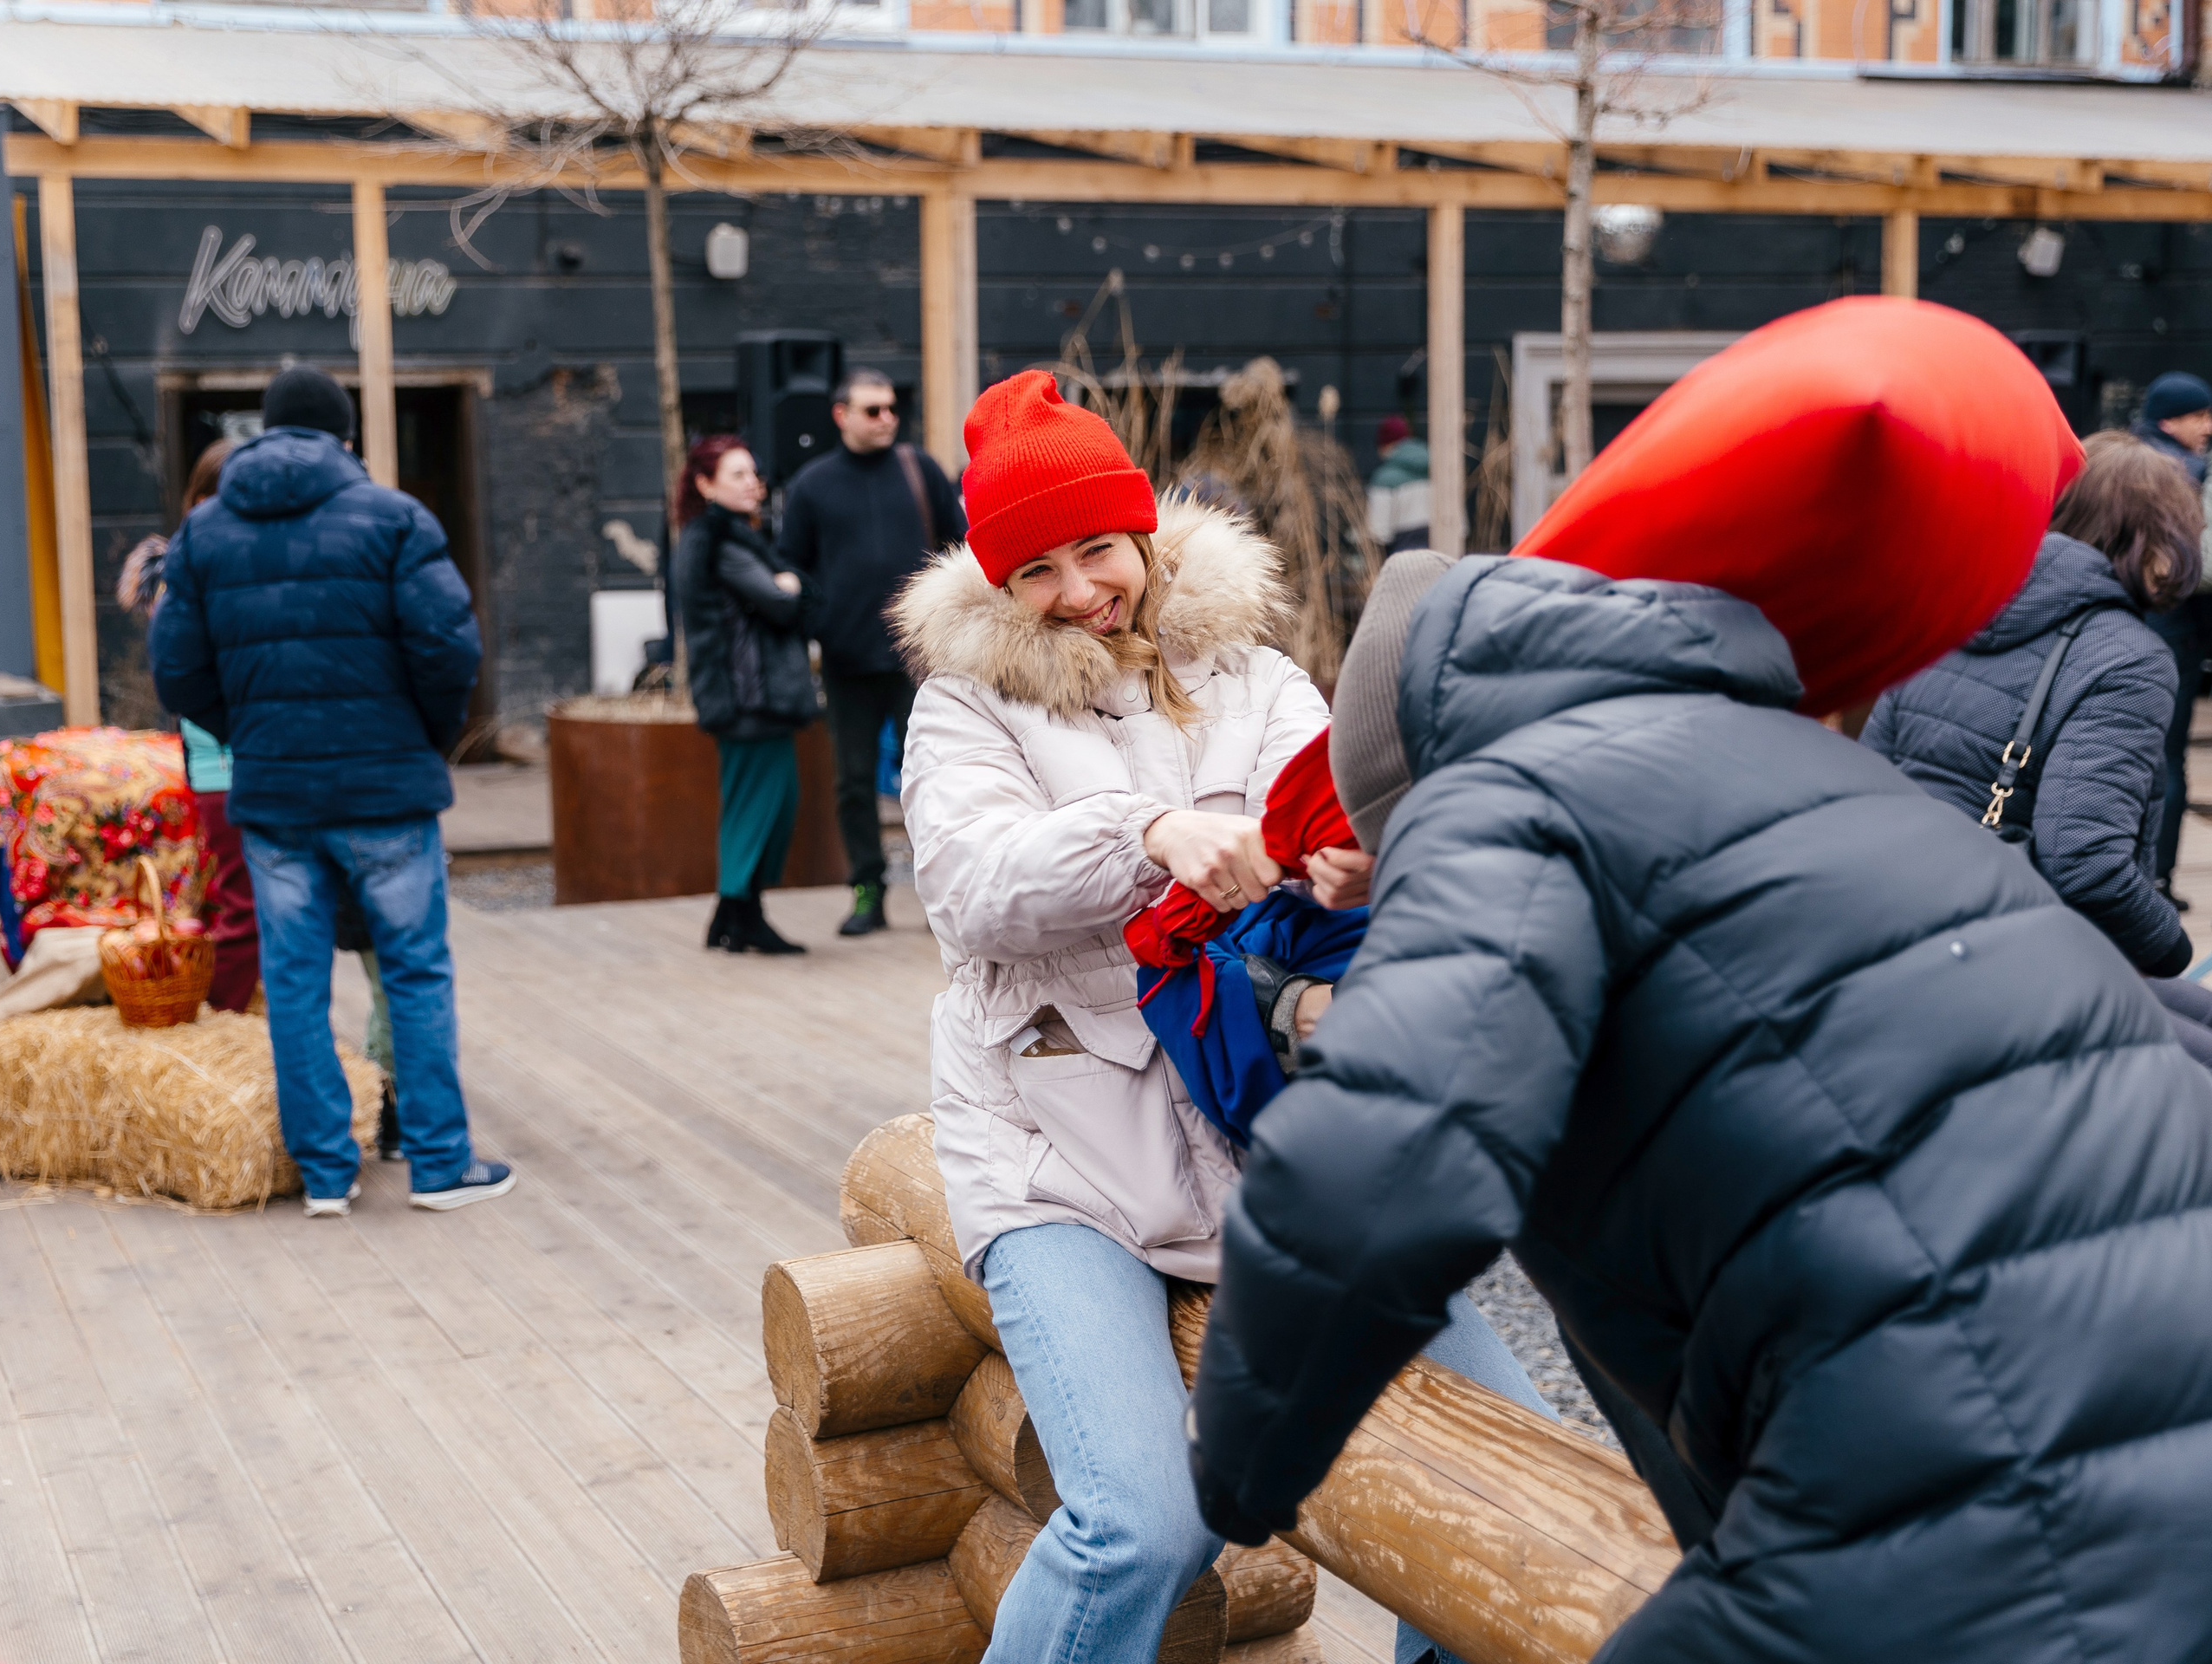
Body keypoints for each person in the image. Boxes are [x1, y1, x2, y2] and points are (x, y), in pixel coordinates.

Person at [1187, 300, 2212, 1661]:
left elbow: (1383, 1164)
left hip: (1974, 1438)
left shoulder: (1509, 804)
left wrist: (1240, 1474)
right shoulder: (1812, 768)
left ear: (1413, 778)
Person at [892, 369, 1554, 1664]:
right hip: (1056, 1162)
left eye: (1098, 548)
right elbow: (970, 888)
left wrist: (1354, 864)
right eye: (1037, 570)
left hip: (1265, 1139)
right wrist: (1149, 832)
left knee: (1512, 1490)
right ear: (997, 584)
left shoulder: (1255, 671)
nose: (1080, 589)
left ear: (1144, 533)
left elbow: (1334, 829)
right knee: (1144, 1524)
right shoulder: (964, 703)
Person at [149, 363, 509, 1218]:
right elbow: (451, 648)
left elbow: (177, 671)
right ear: (344, 436)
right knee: (415, 972)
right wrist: (421, 737)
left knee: (295, 981)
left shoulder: (205, 534)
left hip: (276, 794)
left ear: (264, 432)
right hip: (387, 787)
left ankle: (323, 1175)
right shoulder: (394, 517)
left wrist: (250, 731)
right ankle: (438, 1165)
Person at [1862, 432, 2202, 991]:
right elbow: (2086, 862)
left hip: (1892, 919)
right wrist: (2171, 949)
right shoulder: (2129, 658)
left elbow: (1868, 774)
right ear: (2157, 541)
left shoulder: (1957, 601)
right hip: (2014, 955)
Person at [779, 367, 964, 938]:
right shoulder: (812, 485)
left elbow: (959, 547)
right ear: (842, 415)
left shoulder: (919, 469)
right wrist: (822, 622)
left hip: (919, 659)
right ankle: (867, 889)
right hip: (847, 660)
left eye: (891, 408)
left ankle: (942, 894)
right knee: (854, 783)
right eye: (872, 410)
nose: (887, 419)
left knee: (934, 777)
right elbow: (791, 566)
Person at [118, 439, 258, 1014]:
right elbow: (183, 674)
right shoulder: (189, 572)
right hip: (222, 760)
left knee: (246, 899)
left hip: (238, 757)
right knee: (243, 903)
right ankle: (224, 1015)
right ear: (199, 501)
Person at [673, 432, 815, 956]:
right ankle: (743, 914)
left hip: (749, 697)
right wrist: (790, 585)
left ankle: (731, 916)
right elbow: (780, 601)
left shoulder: (725, 537)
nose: (753, 483)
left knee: (763, 805)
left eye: (753, 473)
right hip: (750, 697)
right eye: (737, 474)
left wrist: (788, 583)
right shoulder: (723, 543)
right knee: (758, 807)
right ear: (705, 485)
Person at [2128, 372, 2212, 898]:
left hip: (2122, 626)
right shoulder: (2187, 473)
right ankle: (2156, 878)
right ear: (2168, 420)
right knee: (2166, 756)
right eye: (2199, 415)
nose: (2208, 426)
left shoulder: (2116, 465)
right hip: (2173, 628)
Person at [1365, 413, 1431, 553]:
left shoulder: (1383, 478)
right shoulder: (1439, 469)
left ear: (1384, 445)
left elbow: (1379, 532)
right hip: (1441, 551)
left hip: (1403, 554)